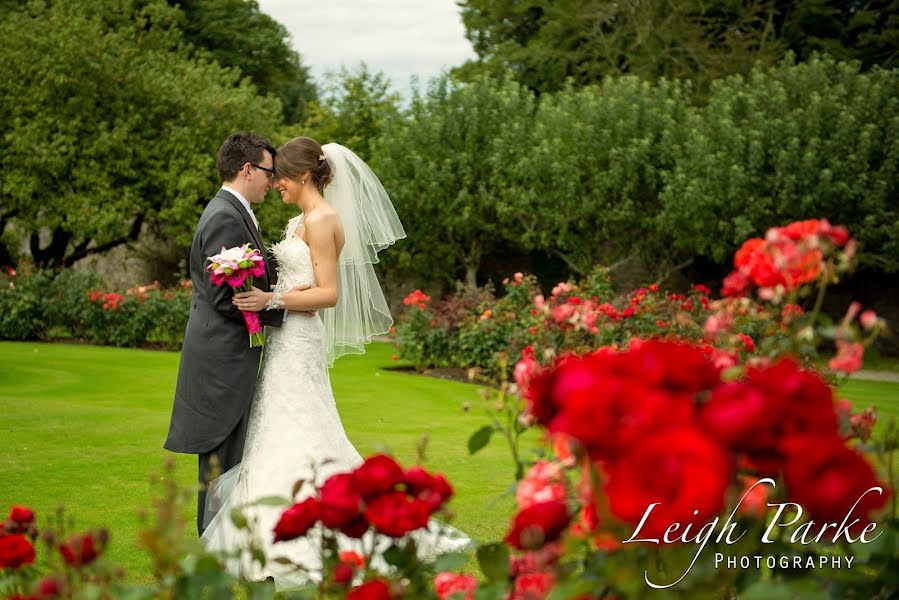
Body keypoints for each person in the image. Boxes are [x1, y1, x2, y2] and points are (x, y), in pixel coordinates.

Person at [199, 136, 468, 586]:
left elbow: (330, 293)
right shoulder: (303, 218)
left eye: (281, 176)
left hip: (299, 338)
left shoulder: (323, 221)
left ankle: (311, 531)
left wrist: (272, 298)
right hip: (286, 340)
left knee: (301, 425)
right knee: (278, 426)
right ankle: (269, 525)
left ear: (303, 176)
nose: (276, 184)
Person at [164, 132, 288, 536]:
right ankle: (212, 554)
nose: (272, 181)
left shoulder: (233, 212)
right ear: (247, 169)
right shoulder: (224, 216)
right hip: (222, 365)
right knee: (221, 465)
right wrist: (277, 306)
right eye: (269, 172)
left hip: (227, 360)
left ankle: (224, 550)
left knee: (231, 464)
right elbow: (225, 298)